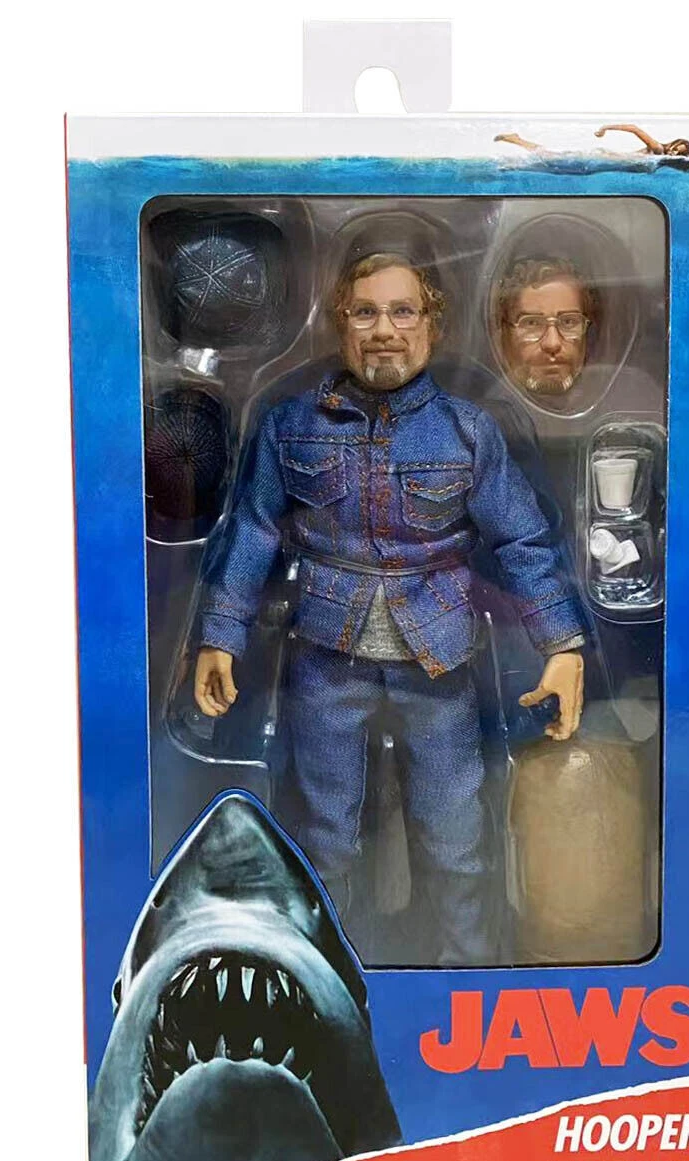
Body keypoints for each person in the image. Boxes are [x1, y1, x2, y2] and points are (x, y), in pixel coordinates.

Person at [193, 253, 588, 963]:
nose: (384, 330)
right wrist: (220, 636)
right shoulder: (291, 426)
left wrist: (563, 646)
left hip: (439, 662)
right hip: (325, 660)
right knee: (325, 838)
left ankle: (466, 972)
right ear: (339, 323)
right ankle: (330, 975)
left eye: (403, 311)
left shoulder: (468, 432)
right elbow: (251, 532)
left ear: (433, 324)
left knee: (455, 835)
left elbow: (523, 540)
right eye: (365, 312)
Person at [497, 257, 595, 396]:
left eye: (568, 322)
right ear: (503, 332)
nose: (552, 343)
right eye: (532, 323)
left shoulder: (616, 397)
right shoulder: (479, 408)